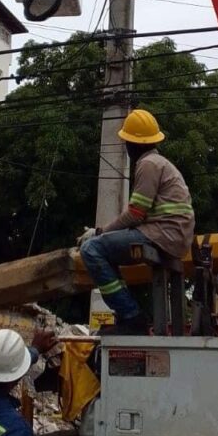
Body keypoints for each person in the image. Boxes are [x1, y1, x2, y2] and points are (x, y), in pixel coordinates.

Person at [80, 109, 195, 335]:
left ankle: (131, 316)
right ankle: (127, 314)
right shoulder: (160, 163)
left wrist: (100, 232)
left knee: (91, 249)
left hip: (162, 235)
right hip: (171, 235)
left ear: (132, 144)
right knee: (107, 251)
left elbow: (135, 214)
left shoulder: (148, 164)